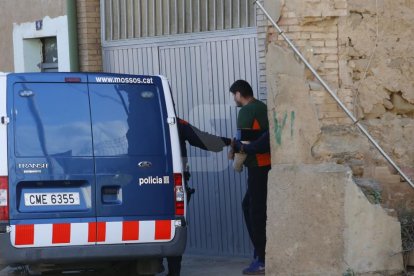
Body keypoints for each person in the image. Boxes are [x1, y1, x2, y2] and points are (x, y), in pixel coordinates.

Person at [166, 118, 231, 276]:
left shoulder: (134, 120)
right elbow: (207, 141)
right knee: (175, 226)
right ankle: (174, 272)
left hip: (142, 185)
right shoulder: (175, 122)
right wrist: (228, 141)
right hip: (172, 186)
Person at [229, 80, 271, 275]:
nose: (234, 100)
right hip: (268, 166)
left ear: (239, 94)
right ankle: (260, 249)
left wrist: (236, 163)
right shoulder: (262, 107)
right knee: (252, 207)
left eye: (234, 95)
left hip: (257, 166)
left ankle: (262, 258)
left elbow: (244, 142)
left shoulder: (246, 111)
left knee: (256, 212)